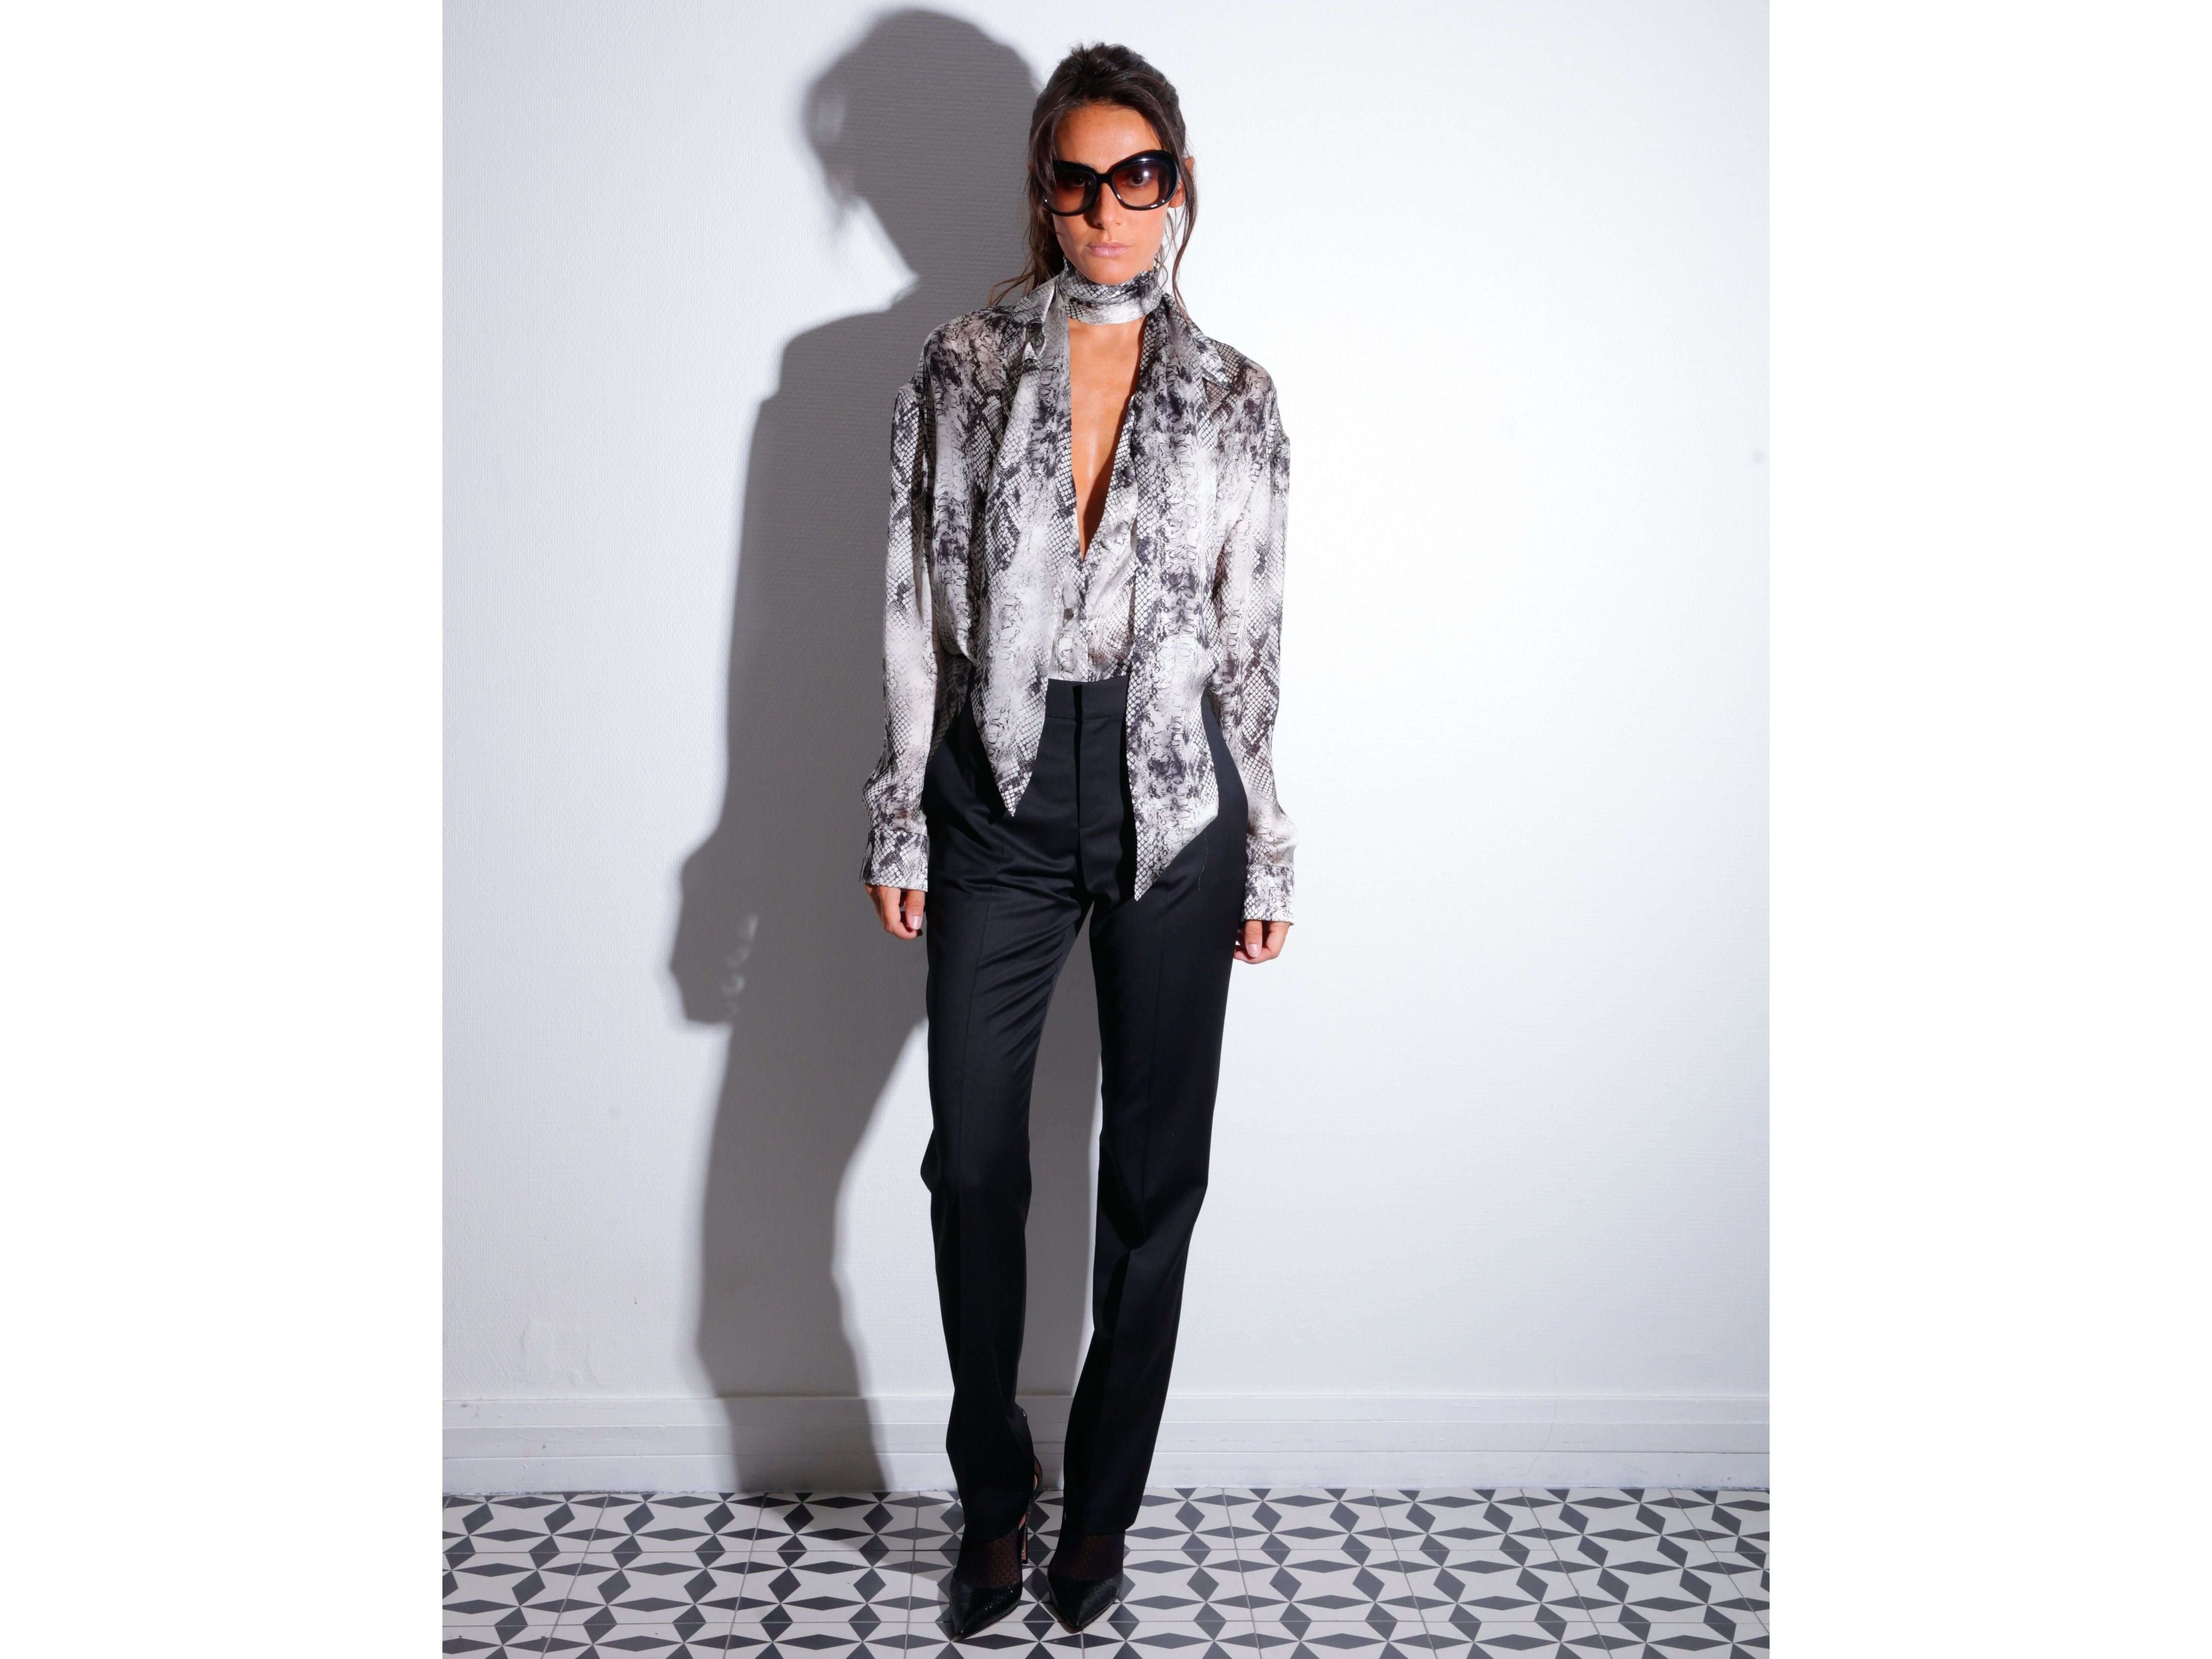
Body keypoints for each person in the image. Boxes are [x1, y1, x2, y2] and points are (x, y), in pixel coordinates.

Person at [860, 40, 1296, 1639]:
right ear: (1043, 195)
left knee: (1155, 1179)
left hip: (1179, 795)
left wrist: (1267, 841)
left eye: (1140, 176)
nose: (1110, 208)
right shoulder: (959, 366)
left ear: (1178, 187)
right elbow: (913, 599)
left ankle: (1100, 1510)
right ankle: (995, 1496)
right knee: (973, 1157)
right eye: (1079, 179)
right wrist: (902, 810)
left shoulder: (1238, 396)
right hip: (1000, 786)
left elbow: (1253, 636)